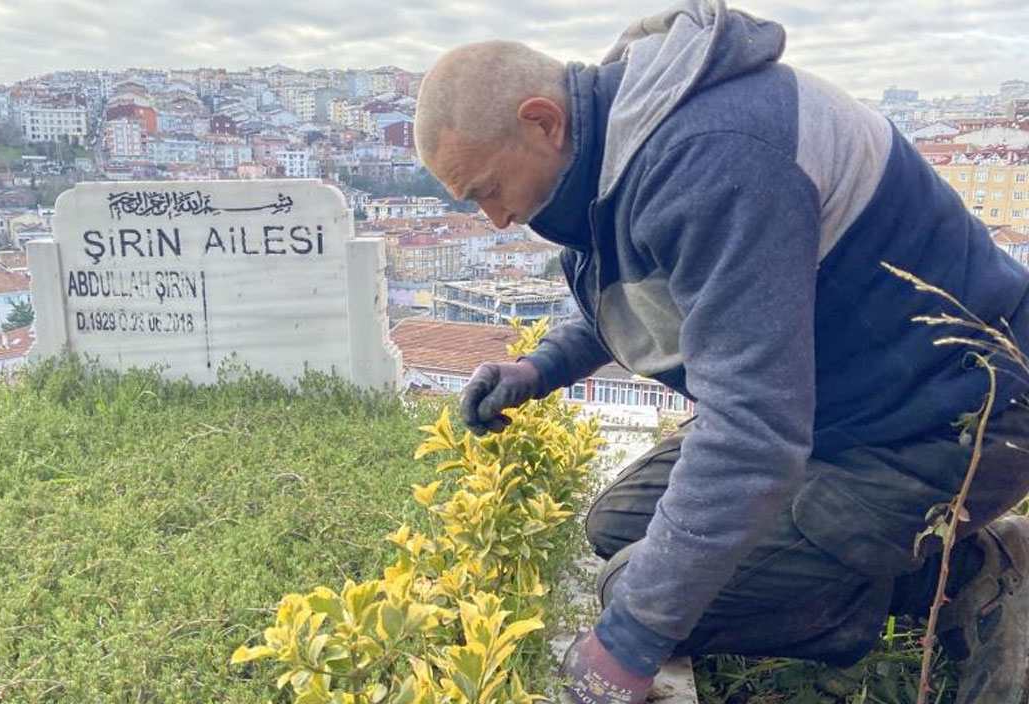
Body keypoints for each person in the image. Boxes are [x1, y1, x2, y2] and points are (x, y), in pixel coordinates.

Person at [413, 1, 1029, 702]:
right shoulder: (622, 145)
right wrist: (539, 367)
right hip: (841, 401)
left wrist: (629, 643)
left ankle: (972, 576)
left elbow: (753, 436)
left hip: (957, 417)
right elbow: (671, 289)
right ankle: (886, 564)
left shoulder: (717, 155)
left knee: (636, 595)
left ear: (542, 122)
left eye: (489, 190)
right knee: (618, 528)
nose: (496, 218)